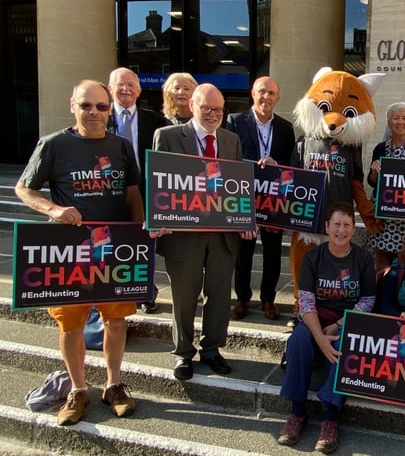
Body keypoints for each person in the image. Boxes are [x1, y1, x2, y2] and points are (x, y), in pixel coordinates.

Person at [15, 79, 146, 425]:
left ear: (110, 110)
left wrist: (142, 235)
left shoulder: (120, 147)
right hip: (69, 251)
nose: (94, 113)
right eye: (86, 105)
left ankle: (114, 385)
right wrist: (52, 209)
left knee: (115, 322)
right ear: (72, 104)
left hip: (114, 249)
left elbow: (133, 195)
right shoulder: (54, 144)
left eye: (102, 107)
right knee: (71, 325)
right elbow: (24, 188)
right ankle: (78, 388)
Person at [153, 83, 254, 381]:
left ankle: (212, 348)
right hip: (183, 233)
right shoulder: (168, 136)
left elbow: (237, 186)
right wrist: (158, 215)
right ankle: (183, 353)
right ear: (192, 107)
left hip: (222, 233)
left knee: (220, 295)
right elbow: (158, 180)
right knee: (185, 296)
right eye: (206, 108)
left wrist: (245, 218)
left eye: (219, 109)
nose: (213, 115)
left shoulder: (231, 140)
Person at [277, 201, 376, 454]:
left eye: (346, 225)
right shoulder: (313, 257)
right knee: (298, 341)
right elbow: (306, 301)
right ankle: (297, 412)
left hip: (347, 320)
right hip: (314, 318)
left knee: (345, 345)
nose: (341, 230)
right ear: (326, 227)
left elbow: (367, 300)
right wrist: (320, 336)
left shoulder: (363, 259)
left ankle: (331, 417)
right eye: (336, 225)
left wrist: (338, 325)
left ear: (354, 229)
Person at [226, 76, 296, 320]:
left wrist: (275, 163)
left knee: (273, 251)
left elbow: (291, 164)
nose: (266, 97)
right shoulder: (234, 121)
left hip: (274, 201)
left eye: (271, 93)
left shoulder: (286, 128)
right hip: (244, 198)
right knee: (243, 252)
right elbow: (228, 159)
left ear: (278, 98)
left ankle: (268, 299)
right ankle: (242, 298)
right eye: (262, 92)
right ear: (252, 94)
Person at [107, 67, 169, 313]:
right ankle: (111, 289)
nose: (126, 89)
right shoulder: (99, 115)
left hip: (145, 190)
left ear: (139, 90)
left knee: (145, 243)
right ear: (110, 88)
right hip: (109, 192)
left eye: (131, 85)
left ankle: (144, 291)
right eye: (120, 84)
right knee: (111, 243)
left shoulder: (153, 120)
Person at [367, 101, 405, 270]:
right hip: (383, 214)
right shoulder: (380, 149)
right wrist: (374, 170)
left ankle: (400, 293)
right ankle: (380, 292)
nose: (400, 122)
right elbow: (372, 182)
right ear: (389, 122)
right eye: (396, 118)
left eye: (404, 118)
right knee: (381, 259)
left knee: (404, 259)